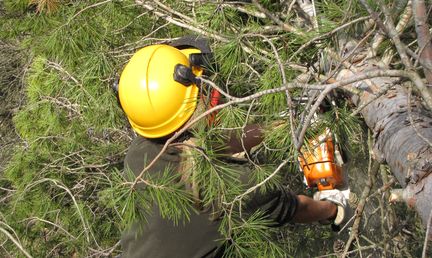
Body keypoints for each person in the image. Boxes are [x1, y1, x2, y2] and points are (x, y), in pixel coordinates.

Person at [114, 36, 348, 258]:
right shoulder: (234, 188)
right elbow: (297, 208)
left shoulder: (140, 154)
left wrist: (287, 125)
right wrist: (333, 209)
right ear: (205, 101)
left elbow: (213, 143)